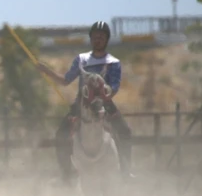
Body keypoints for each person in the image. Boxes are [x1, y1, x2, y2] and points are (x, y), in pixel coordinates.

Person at [37, 21, 133, 181]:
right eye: (95, 37)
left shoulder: (113, 63)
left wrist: (105, 92)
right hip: (81, 103)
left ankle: (125, 171)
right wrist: (47, 71)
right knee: (61, 134)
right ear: (90, 38)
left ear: (107, 39)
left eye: (101, 37)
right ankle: (66, 174)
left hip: (105, 102)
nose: (98, 40)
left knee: (124, 131)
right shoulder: (81, 59)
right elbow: (66, 80)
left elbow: (115, 86)